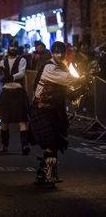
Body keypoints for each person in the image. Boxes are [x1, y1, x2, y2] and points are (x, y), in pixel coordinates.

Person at [28, 42, 85, 187]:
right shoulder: (49, 67)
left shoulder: (61, 67)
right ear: (53, 54)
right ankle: (49, 175)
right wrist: (86, 77)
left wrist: (82, 86)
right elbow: (68, 79)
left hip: (54, 109)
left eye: (62, 54)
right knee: (52, 142)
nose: (60, 56)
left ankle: (43, 173)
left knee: (55, 142)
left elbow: (70, 88)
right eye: (57, 54)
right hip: (42, 108)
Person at [0, 42, 30, 155]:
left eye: (15, 47)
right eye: (11, 47)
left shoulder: (22, 60)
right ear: (8, 48)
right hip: (6, 91)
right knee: (4, 120)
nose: (13, 49)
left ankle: (24, 144)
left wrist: (11, 77)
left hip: (18, 91)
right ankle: (4, 144)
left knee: (22, 119)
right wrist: (0, 69)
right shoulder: (2, 61)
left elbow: (21, 73)